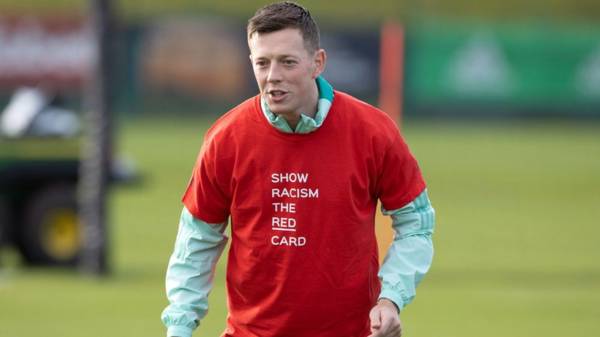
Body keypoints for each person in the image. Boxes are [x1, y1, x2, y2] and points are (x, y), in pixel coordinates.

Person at [161, 2, 435, 337]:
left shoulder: (373, 131)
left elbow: (417, 224)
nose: (272, 75)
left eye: (287, 62)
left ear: (317, 62)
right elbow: (196, 239)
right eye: (262, 62)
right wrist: (179, 327)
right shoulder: (225, 139)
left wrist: (391, 298)